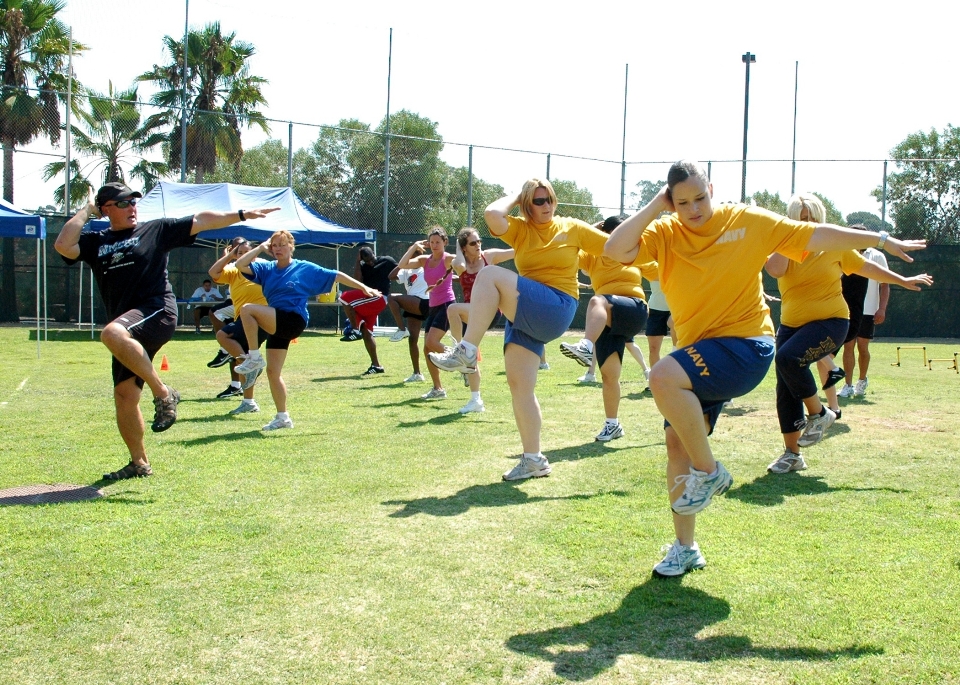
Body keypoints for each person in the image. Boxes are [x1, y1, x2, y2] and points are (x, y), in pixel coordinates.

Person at [603, 161, 926, 578]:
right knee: (676, 444)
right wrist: (655, 207)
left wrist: (879, 237)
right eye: (682, 202)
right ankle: (686, 548)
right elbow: (614, 251)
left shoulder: (747, 220)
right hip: (698, 355)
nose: (694, 208)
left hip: (745, 345)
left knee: (661, 375)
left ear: (712, 189)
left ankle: (712, 471)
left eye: (700, 197)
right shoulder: (665, 232)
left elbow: (818, 235)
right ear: (671, 201)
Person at [54, 182, 279, 479]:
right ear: (106, 208)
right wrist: (86, 211)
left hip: (156, 310)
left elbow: (201, 220)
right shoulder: (96, 240)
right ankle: (139, 462)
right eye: (123, 203)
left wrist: (240, 214)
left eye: (134, 202)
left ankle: (164, 393)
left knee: (111, 334)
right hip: (127, 327)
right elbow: (63, 246)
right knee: (124, 395)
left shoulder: (154, 230)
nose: (132, 207)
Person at [429, 178, 609, 480]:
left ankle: (467, 350)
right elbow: (491, 214)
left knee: (488, 276)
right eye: (538, 201)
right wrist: (520, 194)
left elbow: (614, 246)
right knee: (519, 387)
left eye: (549, 198)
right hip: (526, 310)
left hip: (557, 305)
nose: (547, 205)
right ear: (527, 204)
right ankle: (533, 459)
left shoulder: (571, 227)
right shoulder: (521, 230)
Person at [764, 194, 932, 475]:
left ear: (820, 219)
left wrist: (902, 280)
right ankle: (792, 455)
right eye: (800, 218)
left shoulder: (834, 246)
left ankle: (819, 414)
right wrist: (790, 238)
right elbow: (774, 268)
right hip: (791, 325)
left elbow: (866, 267)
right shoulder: (786, 247)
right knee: (786, 385)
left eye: (811, 218)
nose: (806, 223)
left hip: (832, 321)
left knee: (788, 359)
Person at [233, 231, 380, 430]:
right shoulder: (266, 268)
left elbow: (336, 275)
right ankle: (282, 417)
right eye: (274, 245)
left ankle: (253, 356)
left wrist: (363, 287)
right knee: (272, 372)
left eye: (282, 245)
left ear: (291, 246)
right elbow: (240, 265)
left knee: (247, 310)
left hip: (293, 320)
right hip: (277, 320)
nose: (277, 249)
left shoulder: (303, 268)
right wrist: (260, 247)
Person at [559, 216, 650, 441]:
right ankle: (613, 425)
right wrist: (593, 228)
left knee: (596, 301)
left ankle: (586, 346)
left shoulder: (634, 252)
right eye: (615, 233)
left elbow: (661, 269)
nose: (621, 238)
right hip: (610, 319)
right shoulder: (593, 256)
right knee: (609, 376)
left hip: (634, 309)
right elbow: (570, 243)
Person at [447, 227, 515, 413]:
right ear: (463, 247)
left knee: (452, 309)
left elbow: (513, 252)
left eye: (479, 241)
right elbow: (458, 262)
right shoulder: (459, 264)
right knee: (471, 358)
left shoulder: (488, 257)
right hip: (472, 315)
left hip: (490, 311)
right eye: (472, 243)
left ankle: (457, 351)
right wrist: (459, 249)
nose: (478, 245)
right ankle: (476, 400)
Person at [209, 237, 269, 414]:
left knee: (223, 335)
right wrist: (229, 256)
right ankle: (249, 401)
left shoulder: (262, 267)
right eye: (239, 253)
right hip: (242, 318)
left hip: (260, 317)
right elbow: (213, 272)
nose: (242, 256)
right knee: (242, 360)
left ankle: (251, 363)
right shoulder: (233, 270)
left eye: (246, 253)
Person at [397, 227, 457, 400]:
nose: (434, 245)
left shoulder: (448, 259)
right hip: (433, 306)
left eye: (438, 242)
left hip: (447, 305)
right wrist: (413, 246)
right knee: (427, 350)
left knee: (432, 342)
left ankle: (462, 359)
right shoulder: (424, 260)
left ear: (445, 242)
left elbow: (465, 263)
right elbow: (402, 265)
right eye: (432, 242)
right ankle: (438, 389)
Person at [837, 229, 892, 398]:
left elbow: (885, 284)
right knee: (848, 346)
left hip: (868, 311)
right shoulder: (842, 254)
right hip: (847, 309)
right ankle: (848, 385)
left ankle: (862, 380)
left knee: (863, 347)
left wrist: (881, 308)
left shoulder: (876, 256)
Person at [340, 246, 397, 375]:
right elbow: (357, 282)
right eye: (367, 261)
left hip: (379, 298)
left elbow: (399, 269)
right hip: (369, 301)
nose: (370, 263)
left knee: (344, 298)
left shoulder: (386, 261)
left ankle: (354, 330)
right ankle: (376, 365)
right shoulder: (363, 267)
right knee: (367, 332)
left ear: (374, 254)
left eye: (372, 259)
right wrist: (357, 262)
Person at [386, 261, 430, 383]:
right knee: (413, 340)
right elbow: (391, 276)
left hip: (424, 301)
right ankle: (417, 373)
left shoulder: (426, 267)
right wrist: (402, 264)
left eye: (415, 256)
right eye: (410, 257)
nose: (412, 260)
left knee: (391, 297)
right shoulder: (406, 270)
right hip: (412, 303)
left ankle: (401, 329)